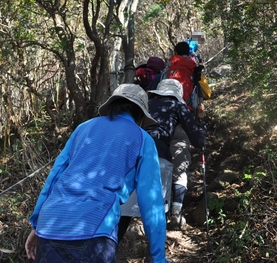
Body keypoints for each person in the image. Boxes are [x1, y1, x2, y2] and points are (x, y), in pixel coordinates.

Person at [25, 84, 170, 263]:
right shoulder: (143, 139)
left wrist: (37, 223)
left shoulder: (82, 128)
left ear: (112, 106)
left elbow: (55, 175)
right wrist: (158, 257)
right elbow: (151, 200)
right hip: (94, 229)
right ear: (140, 114)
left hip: (50, 226)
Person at [144, 79, 207, 230]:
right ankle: (175, 213)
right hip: (161, 146)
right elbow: (198, 139)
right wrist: (201, 121)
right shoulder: (177, 105)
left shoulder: (146, 104)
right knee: (178, 170)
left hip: (139, 145)